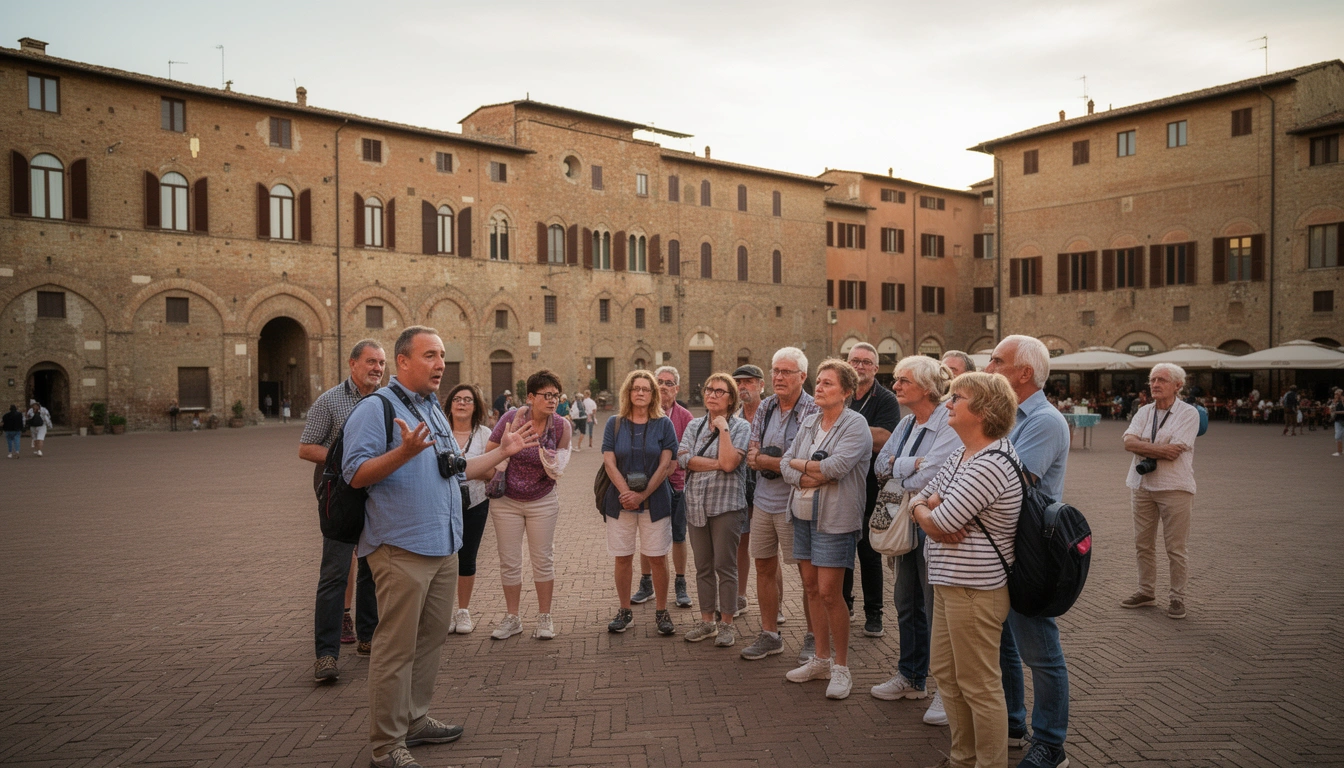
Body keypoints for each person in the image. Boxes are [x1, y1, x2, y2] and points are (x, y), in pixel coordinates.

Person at [343, 326, 536, 768]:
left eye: (442, 355)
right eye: (430, 355)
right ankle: (386, 745)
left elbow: (458, 468)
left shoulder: (431, 407)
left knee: (429, 643)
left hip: (443, 547)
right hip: (401, 549)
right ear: (402, 361)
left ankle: (414, 720)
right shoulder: (376, 408)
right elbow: (355, 473)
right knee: (395, 649)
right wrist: (402, 454)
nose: (440, 364)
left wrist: (503, 452)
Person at [912, 371, 1024, 768]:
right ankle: (963, 757)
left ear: (983, 409)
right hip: (950, 582)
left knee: (979, 684)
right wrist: (926, 509)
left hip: (975, 589)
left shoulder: (991, 462)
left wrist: (928, 512)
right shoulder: (964, 453)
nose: (948, 404)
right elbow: (923, 498)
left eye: (956, 398)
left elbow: (941, 520)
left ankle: (989, 763)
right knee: (946, 672)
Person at [986, 334, 1073, 768]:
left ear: (1024, 373)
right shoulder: (1006, 417)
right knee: (1004, 642)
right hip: (1003, 547)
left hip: (1030, 552)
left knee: (1040, 650)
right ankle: (1013, 723)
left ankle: (1051, 744)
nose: (988, 369)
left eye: (997, 361)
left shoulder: (1044, 421)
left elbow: (1007, 484)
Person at [870, 356, 960, 725]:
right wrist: (911, 465)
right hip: (904, 519)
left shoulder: (947, 423)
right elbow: (879, 466)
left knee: (935, 606)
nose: (895, 386)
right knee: (905, 601)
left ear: (926, 387)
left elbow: (933, 476)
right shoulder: (907, 423)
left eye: (903, 380)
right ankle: (911, 676)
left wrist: (899, 468)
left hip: (932, 522)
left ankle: (947, 691)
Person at [779, 359, 873, 699]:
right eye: (818, 382)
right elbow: (784, 464)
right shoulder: (809, 422)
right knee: (810, 588)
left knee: (831, 593)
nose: (819, 387)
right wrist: (807, 472)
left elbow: (836, 467)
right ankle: (820, 659)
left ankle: (842, 668)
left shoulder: (855, 424)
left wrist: (800, 467)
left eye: (828, 383)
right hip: (802, 515)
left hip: (835, 519)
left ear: (846, 391)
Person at [298, 340, 387, 681]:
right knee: (335, 572)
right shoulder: (330, 401)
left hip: (376, 493)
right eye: (371, 361)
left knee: (371, 566)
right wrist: (348, 460)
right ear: (352, 364)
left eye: (381, 363)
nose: (377, 368)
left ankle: (367, 637)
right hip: (339, 495)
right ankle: (326, 654)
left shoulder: (387, 400)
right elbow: (306, 448)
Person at [741, 347, 820, 662]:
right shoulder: (766, 406)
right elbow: (752, 453)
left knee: (808, 575)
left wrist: (770, 461)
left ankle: (814, 638)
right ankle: (770, 634)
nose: (779, 377)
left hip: (797, 502)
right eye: (775, 371)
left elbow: (809, 462)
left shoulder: (813, 409)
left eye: (786, 372)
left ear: (802, 376)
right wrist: (779, 462)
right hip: (763, 500)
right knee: (763, 567)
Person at [485, 370, 572, 641]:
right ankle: (513, 618)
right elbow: (489, 453)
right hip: (507, 500)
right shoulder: (511, 419)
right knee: (509, 561)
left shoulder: (562, 427)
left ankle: (545, 617)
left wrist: (551, 460)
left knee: (543, 559)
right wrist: (504, 456)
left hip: (542, 500)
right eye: (547, 395)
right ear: (531, 397)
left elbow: (559, 468)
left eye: (556, 395)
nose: (553, 400)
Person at [601, 370, 680, 635]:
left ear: (653, 394)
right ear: (628, 392)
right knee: (623, 557)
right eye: (636, 388)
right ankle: (625, 611)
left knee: (657, 557)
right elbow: (609, 462)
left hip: (655, 502)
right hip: (620, 501)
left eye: (646, 389)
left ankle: (661, 611)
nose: (641, 393)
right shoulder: (614, 423)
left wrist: (641, 496)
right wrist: (626, 493)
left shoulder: (664, 424)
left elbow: (666, 464)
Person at [1121, 363, 1200, 621]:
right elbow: (1128, 442)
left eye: (1162, 380)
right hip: (1142, 485)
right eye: (1153, 379)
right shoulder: (1144, 411)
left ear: (1178, 385)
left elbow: (1175, 451)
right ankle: (1146, 591)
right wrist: (1159, 448)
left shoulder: (1189, 413)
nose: (1155, 384)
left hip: (1174, 487)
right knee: (1142, 543)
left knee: (1176, 547)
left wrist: (1142, 445)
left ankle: (1177, 597)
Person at [679, 372, 751, 647]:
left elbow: (731, 462)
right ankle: (707, 621)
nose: (711, 394)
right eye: (709, 389)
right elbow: (684, 459)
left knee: (725, 566)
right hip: (696, 504)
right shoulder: (694, 425)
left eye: (719, 391)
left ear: (731, 398)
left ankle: (727, 624)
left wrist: (724, 430)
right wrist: (718, 464)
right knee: (703, 567)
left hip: (726, 506)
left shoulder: (740, 427)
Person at [842, 342, 902, 638]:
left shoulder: (887, 399)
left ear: (876, 368)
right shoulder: (842, 393)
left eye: (866, 362)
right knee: (841, 551)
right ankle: (845, 605)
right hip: (842, 486)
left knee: (869, 553)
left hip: (871, 488)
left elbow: (885, 439)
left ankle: (874, 613)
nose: (860, 366)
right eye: (855, 361)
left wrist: (844, 430)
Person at [632, 367, 694, 609]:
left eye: (669, 383)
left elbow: (687, 453)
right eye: (659, 381)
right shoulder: (642, 414)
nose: (664, 386)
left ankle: (680, 584)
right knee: (648, 537)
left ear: (676, 389)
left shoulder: (685, 417)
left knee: (678, 536)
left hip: (676, 485)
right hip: (648, 487)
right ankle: (646, 583)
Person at [444, 384, 494, 635]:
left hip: (475, 502)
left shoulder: (485, 434)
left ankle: (463, 610)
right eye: (457, 399)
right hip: (443, 504)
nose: (461, 403)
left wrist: (459, 468)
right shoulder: (440, 431)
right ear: (450, 405)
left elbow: (492, 471)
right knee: (442, 558)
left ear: (476, 407)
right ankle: (442, 612)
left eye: (467, 400)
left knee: (467, 557)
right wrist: (474, 468)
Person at [732, 364, 766, 617]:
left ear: (761, 385)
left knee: (767, 549)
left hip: (767, 486)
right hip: (741, 487)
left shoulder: (771, 414)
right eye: (739, 383)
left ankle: (775, 606)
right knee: (740, 543)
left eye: (749, 382)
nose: (743, 387)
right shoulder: (734, 418)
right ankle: (740, 596)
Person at [1331, 389, 1344, 456]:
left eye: (1337, 394)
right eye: (1335, 394)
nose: (1335, 395)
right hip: (1338, 420)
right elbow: (1332, 409)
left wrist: (1336, 412)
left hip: (1342, 419)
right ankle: (1339, 451)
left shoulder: (1343, 401)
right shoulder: (1335, 401)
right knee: (1338, 436)